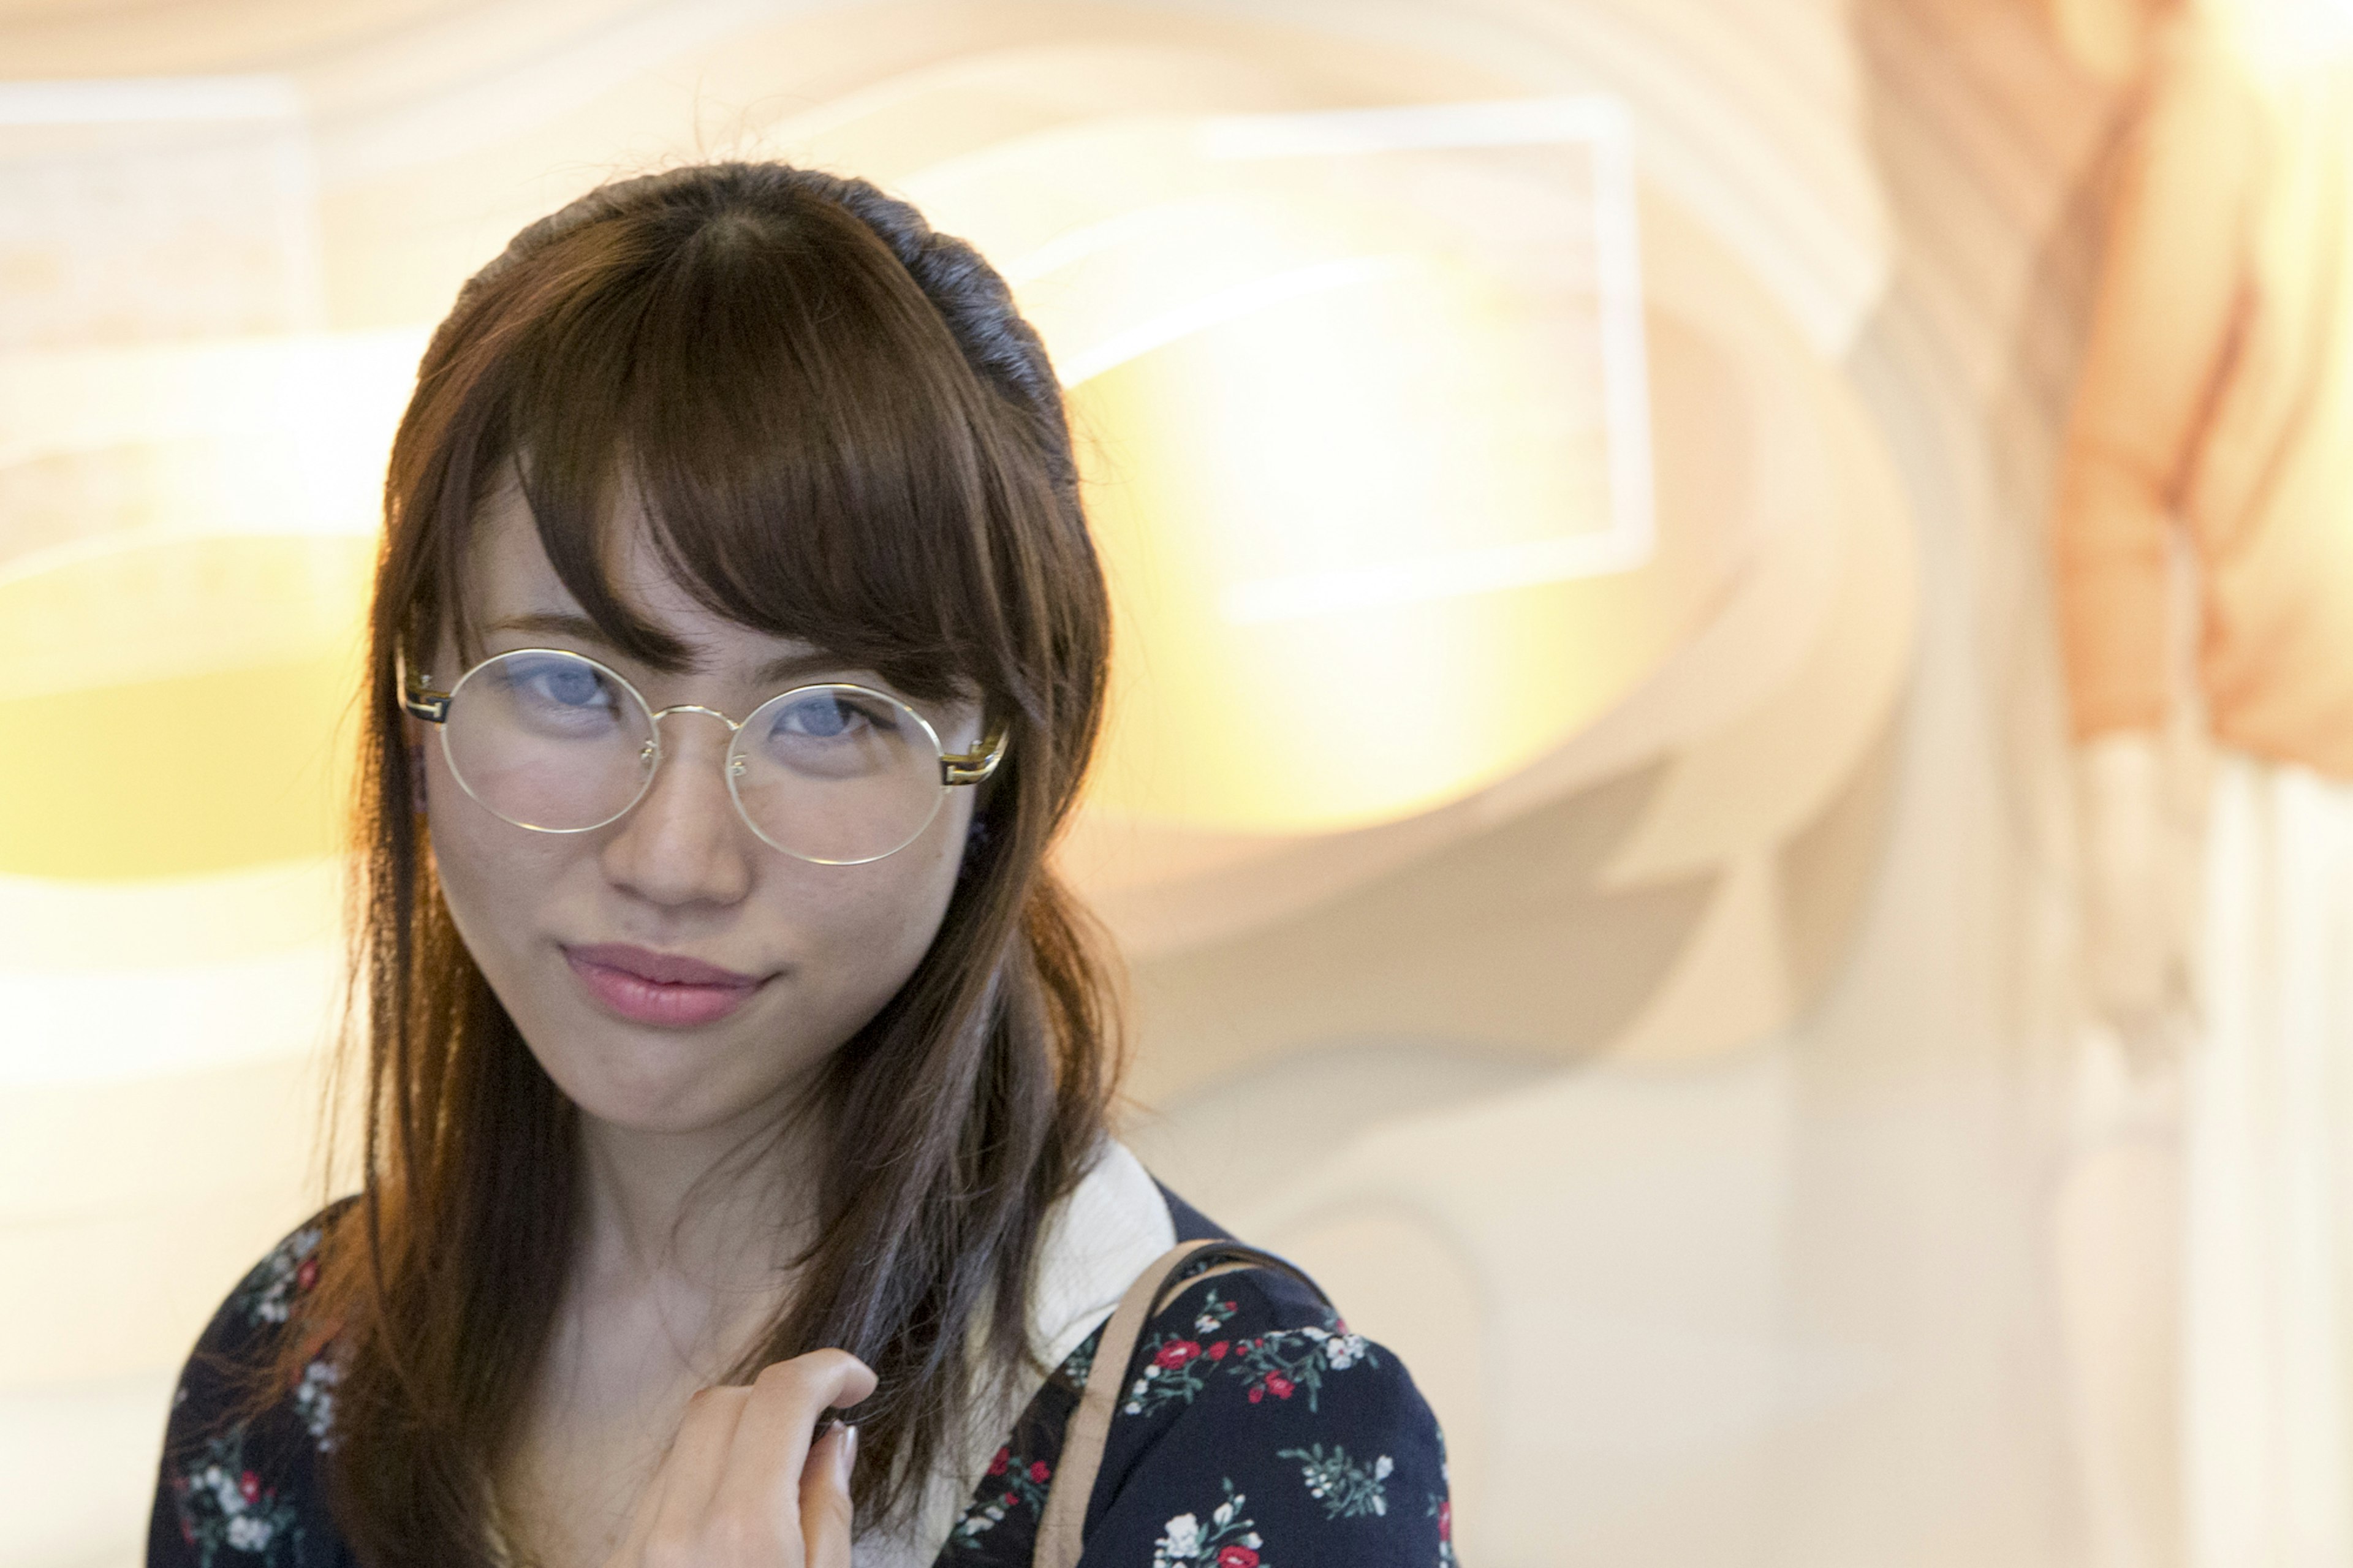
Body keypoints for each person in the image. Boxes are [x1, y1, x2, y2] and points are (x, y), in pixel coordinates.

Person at [147, 162, 1450, 1568]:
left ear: (999, 770)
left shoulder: (1240, 1442)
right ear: (419, 692)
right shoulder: (294, 1371)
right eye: (571, 684)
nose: (675, 856)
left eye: (833, 715)